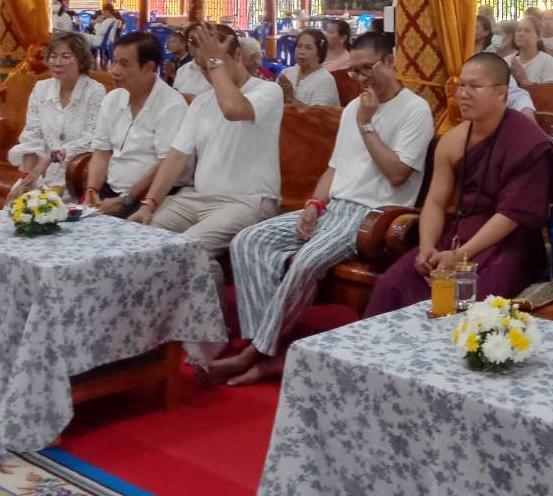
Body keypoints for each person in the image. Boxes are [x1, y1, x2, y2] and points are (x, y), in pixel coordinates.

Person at [213, 32, 435, 384]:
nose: (361, 79)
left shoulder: (414, 109)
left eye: (368, 69)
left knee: (306, 260)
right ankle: (266, 342)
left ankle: (253, 355)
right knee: (248, 241)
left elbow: (396, 174)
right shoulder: (352, 109)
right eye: (354, 71)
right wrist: (313, 205)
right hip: (334, 209)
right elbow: (334, 168)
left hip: (370, 217)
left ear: (391, 62)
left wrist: (367, 122)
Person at [365, 52, 553, 314]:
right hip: (455, 237)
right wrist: (427, 248)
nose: (463, 94)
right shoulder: (452, 141)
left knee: (472, 302)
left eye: (475, 86)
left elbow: (510, 215)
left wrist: (460, 257)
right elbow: (435, 201)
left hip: (508, 244)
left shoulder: (529, 142)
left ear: (502, 92)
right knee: (391, 286)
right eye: (462, 85)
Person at [129, 23, 283, 288]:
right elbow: (177, 156)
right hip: (196, 199)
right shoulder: (201, 102)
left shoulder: (267, 91)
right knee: (139, 238)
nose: (209, 74)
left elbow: (234, 109)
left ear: (237, 56)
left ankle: (211, 326)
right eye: (202, 68)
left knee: (190, 248)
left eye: (215, 64)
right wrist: (149, 203)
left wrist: (214, 61)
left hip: (247, 201)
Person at [82, 31, 187, 216]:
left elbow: (165, 163)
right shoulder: (112, 99)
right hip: (111, 192)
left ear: (149, 67)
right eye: (114, 61)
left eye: (124, 64)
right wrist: (92, 190)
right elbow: (101, 151)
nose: (113, 71)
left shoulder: (171, 105)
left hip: (148, 197)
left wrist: (127, 198)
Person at [5, 34, 106, 194]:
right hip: (41, 172)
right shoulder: (41, 88)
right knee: (16, 203)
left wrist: (54, 156)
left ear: (81, 60)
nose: (58, 62)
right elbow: (32, 135)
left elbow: (93, 138)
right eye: (53, 56)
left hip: (76, 173)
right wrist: (28, 178)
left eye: (66, 57)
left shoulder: (95, 91)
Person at [474, 16, 536, 116]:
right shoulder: (489, 55)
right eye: (494, 34)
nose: (494, 37)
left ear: (510, 36)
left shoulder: (513, 59)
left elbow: (515, 94)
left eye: (498, 34)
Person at [279, 29, 341, 107]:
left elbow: (316, 115)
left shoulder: (325, 80)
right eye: (299, 46)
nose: (301, 52)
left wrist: (290, 98)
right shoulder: (286, 73)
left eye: (308, 48)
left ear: (320, 53)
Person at [507, 17, 553, 86]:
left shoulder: (548, 62)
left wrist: (524, 80)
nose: (521, 34)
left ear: (539, 36)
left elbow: (552, 93)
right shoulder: (507, 61)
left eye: (527, 31)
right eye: (519, 30)